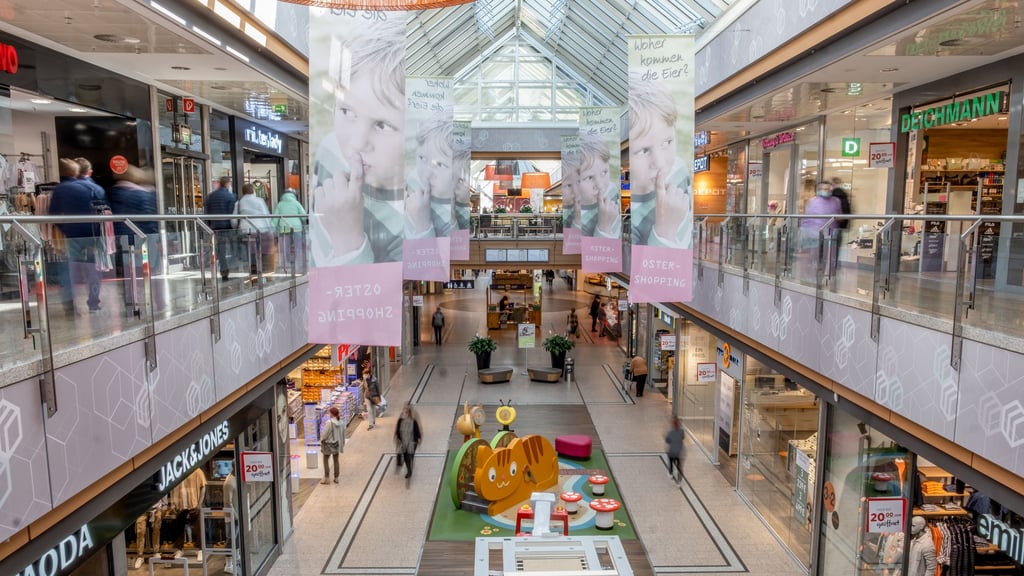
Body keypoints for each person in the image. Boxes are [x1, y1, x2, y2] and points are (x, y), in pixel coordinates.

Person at [310, 17, 406, 266]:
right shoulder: (329, 148)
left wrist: (349, 242)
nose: (357, 142)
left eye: (382, 125)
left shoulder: (408, 222)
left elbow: (375, 299)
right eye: (347, 112)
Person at [628, 72, 693, 249]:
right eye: (643, 150)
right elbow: (647, 270)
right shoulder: (631, 222)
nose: (660, 163)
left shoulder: (680, 169)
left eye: (667, 142)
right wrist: (665, 231)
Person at [51, 157, 106, 314]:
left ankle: (69, 305)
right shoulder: (94, 188)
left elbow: (53, 214)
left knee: (69, 271)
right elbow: (104, 211)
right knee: (93, 272)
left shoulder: (60, 189)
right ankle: (93, 303)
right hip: (93, 235)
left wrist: (65, 228)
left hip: (72, 236)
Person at [406, 115, 455, 239]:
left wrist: (422, 225)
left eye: (440, 164)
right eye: (422, 158)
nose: (427, 173)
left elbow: (444, 256)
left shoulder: (451, 217)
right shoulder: (412, 181)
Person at [108, 165, 160, 272]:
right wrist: (155, 236)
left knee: (126, 264)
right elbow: (148, 218)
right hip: (138, 236)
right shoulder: (140, 194)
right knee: (143, 265)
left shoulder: (111, 192)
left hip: (118, 236)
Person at [576, 131, 622, 239]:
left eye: (604, 172)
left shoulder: (612, 190)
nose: (601, 186)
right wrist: (604, 227)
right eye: (589, 178)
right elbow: (594, 252)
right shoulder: (578, 217)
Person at [233, 183, 275, 277]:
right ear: (253, 191)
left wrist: (236, 227)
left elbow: (234, 220)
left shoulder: (238, 203)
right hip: (261, 230)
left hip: (246, 231)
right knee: (262, 251)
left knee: (250, 252)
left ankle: (253, 270)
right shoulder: (259, 201)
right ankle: (263, 271)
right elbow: (266, 215)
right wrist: (271, 229)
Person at [205, 176, 236, 280]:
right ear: (227, 184)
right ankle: (232, 268)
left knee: (220, 250)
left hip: (215, 227)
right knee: (233, 247)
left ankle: (224, 270)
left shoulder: (211, 196)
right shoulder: (230, 196)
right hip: (227, 226)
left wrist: (209, 225)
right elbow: (232, 213)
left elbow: (207, 212)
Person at [273, 188, 306, 272]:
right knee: (297, 247)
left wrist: (273, 230)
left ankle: (286, 266)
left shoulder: (280, 204)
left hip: (284, 228)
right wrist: (303, 221)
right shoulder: (296, 203)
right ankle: (298, 265)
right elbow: (304, 216)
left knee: (284, 248)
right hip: (296, 228)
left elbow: (275, 219)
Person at [394, 404, 423, 483]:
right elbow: (397, 430)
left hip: (412, 442)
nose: (404, 413)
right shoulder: (400, 421)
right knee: (406, 457)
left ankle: (410, 468)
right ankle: (409, 470)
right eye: (404, 411)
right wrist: (396, 438)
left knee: (410, 456)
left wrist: (419, 439)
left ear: (409, 412)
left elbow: (417, 431)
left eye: (406, 411)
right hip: (403, 441)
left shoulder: (413, 422)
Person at [320, 406, 344, 484]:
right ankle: (336, 478)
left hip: (328, 444)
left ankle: (327, 478)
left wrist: (321, 440)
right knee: (336, 461)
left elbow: (325, 434)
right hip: (337, 443)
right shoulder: (341, 422)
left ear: (331, 414)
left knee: (325, 460)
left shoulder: (329, 423)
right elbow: (342, 434)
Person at [665, 417, 685, 484]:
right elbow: (683, 437)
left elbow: (667, 441)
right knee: (679, 466)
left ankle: (670, 473)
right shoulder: (681, 431)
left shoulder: (670, 432)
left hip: (671, 452)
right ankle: (679, 481)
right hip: (679, 452)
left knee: (670, 463)